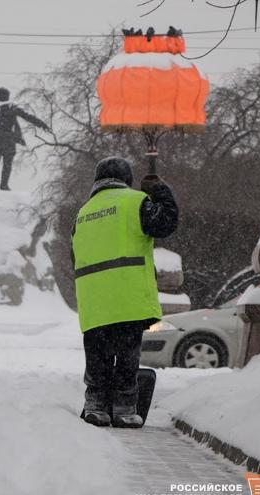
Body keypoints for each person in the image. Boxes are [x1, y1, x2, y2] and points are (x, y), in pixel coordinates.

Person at [71, 157, 178, 428]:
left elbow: (75, 255)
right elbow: (166, 223)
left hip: (94, 299)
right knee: (127, 355)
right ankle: (124, 408)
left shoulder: (83, 213)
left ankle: (96, 405)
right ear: (126, 178)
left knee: (97, 357)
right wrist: (160, 191)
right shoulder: (135, 202)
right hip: (127, 296)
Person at [0, 87, 49, 191]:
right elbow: (28, 117)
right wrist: (42, 125)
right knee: (7, 164)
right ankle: (3, 185)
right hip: (8, 142)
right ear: (7, 97)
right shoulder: (11, 108)